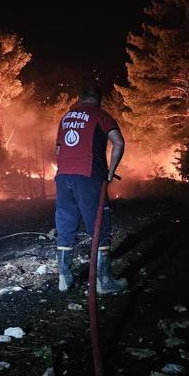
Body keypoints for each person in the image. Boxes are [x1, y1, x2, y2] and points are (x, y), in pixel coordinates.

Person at [54, 86, 127, 294]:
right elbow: (119, 143)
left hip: (63, 176)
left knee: (65, 225)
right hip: (89, 177)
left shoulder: (66, 118)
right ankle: (103, 282)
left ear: (80, 98)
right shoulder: (100, 115)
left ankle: (64, 279)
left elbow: (58, 150)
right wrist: (110, 172)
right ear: (99, 100)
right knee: (99, 225)